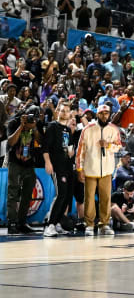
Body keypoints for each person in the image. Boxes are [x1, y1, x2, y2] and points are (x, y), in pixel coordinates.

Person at [75, 103, 122, 236]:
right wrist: (80, 169)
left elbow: (119, 147)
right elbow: (80, 150)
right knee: (89, 198)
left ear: (109, 114)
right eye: (101, 113)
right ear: (97, 114)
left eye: (106, 113)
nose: (103, 115)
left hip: (106, 170)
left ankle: (104, 224)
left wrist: (108, 145)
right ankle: (89, 225)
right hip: (90, 169)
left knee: (106, 198)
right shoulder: (88, 129)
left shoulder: (113, 129)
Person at [42, 101, 76, 237]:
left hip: (67, 166)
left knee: (67, 196)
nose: (64, 113)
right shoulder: (52, 127)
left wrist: (71, 152)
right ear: (58, 111)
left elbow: (70, 147)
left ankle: (57, 223)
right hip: (56, 166)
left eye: (67, 111)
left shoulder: (68, 130)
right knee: (61, 194)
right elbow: (45, 147)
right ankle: (50, 225)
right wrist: (47, 163)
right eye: (62, 110)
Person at [5, 106, 40, 234]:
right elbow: (11, 142)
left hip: (29, 163)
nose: (31, 119)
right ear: (24, 114)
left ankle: (21, 222)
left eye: (34, 118)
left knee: (27, 193)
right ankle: (12, 222)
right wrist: (21, 125)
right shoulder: (14, 122)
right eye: (30, 116)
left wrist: (34, 127)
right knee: (13, 192)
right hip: (14, 161)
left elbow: (41, 141)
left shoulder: (36, 124)